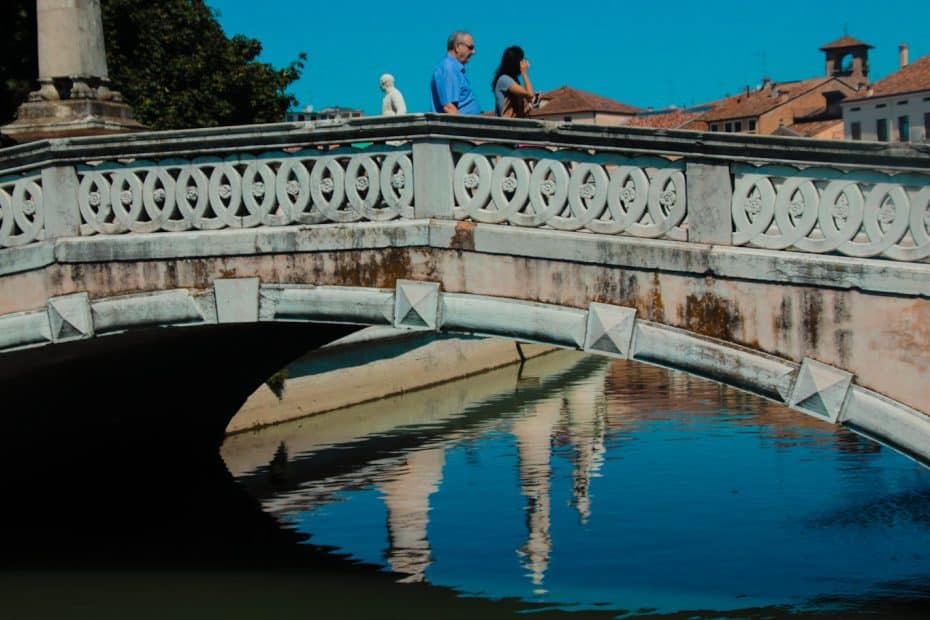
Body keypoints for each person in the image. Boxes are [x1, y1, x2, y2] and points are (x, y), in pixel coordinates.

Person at [430, 31, 481, 115]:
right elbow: (449, 107)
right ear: (457, 47)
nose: (473, 52)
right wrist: (464, 127)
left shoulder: (454, 69)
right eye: (470, 47)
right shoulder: (449, 68)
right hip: (458, 127)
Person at [492, 46, 536, 117]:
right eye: (522, 59)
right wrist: (524, 72)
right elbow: (530, 94)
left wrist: (530, 104)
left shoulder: (514, 81)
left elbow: (529, 96)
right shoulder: (504, 80)